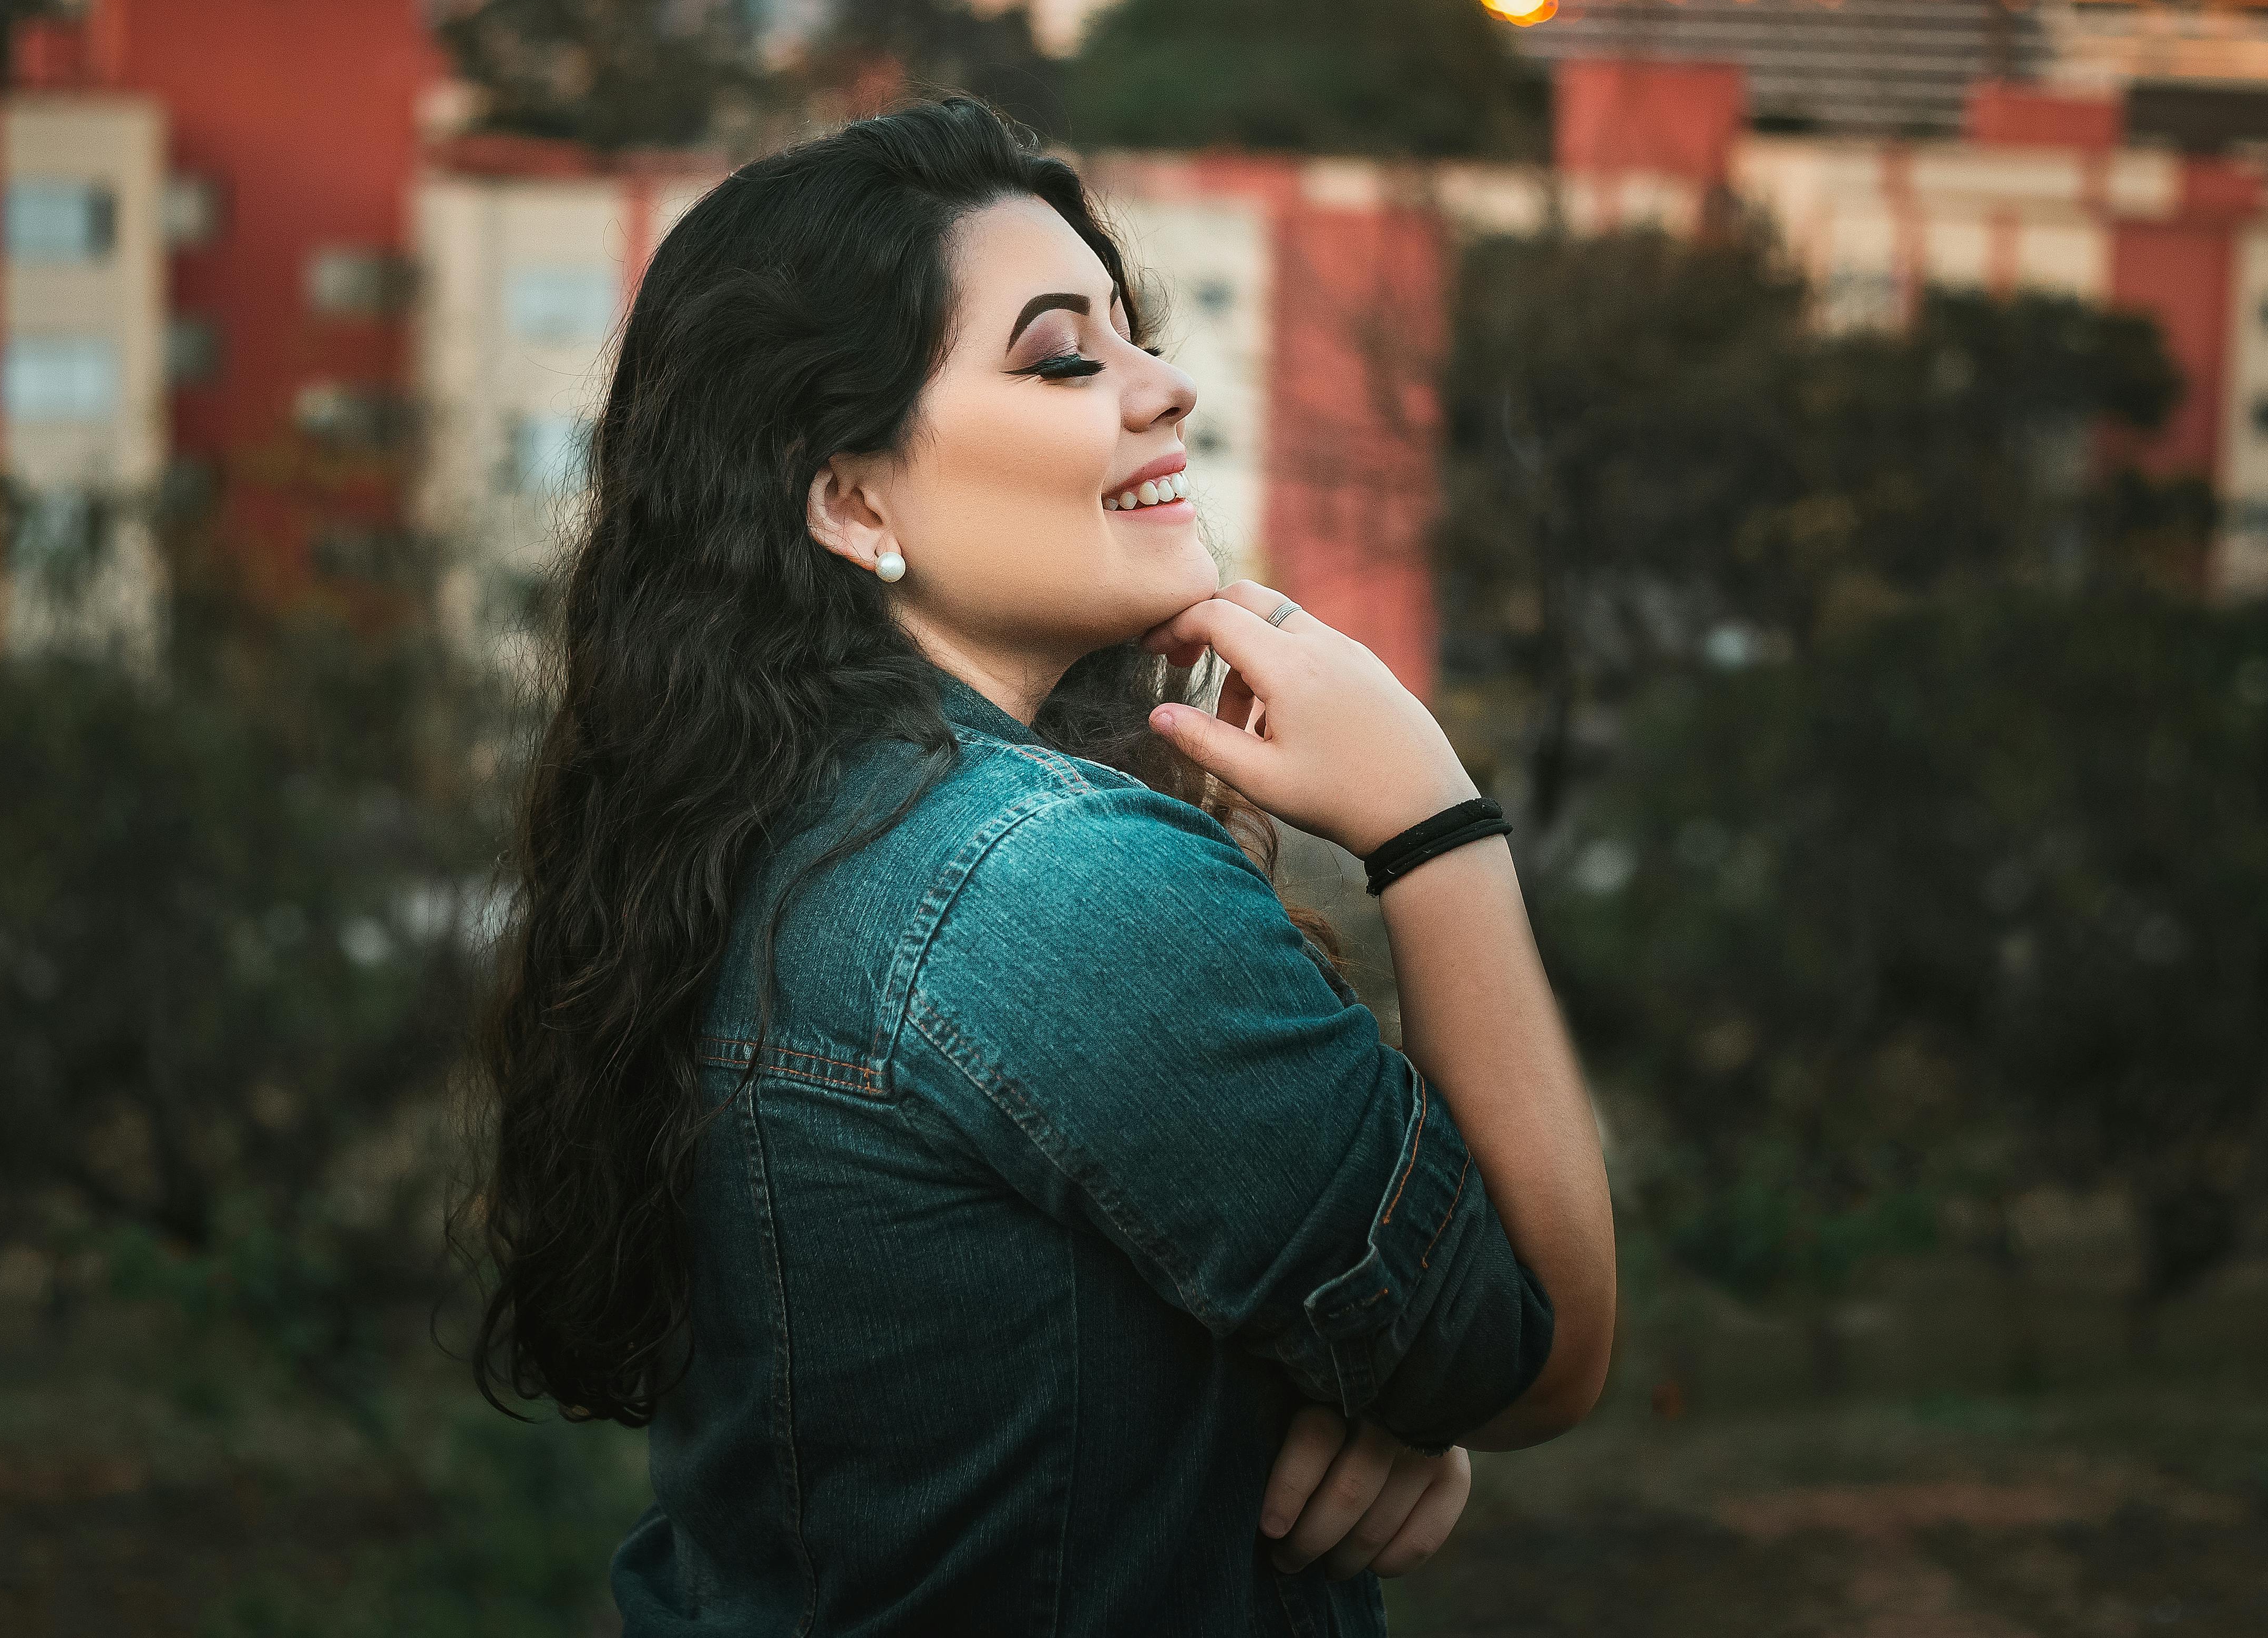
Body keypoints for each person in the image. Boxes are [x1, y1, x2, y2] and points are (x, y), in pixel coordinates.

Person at [470, 98, 1615, 1634]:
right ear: (852, 498)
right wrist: (1431, 823)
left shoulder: (763, 830)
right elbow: (1534, 1347)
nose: (1170, 389)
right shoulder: (1041, 889)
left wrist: (1372, 1413)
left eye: (1135, 337)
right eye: (1064, 355)